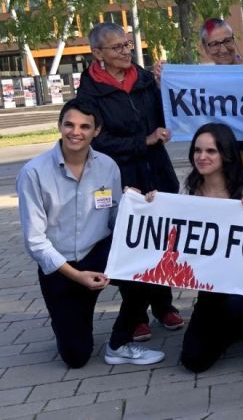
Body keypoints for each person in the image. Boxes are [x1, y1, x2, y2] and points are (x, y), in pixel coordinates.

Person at [17, 98, 165, 368]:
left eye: (85, 126)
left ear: (96, 131)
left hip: (97, 253)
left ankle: (119, 344)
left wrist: (139, 205)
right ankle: (69, 317)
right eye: (69, 124)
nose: (76, 132)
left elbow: (115, 220)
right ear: (59, 126)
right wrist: (77, 276)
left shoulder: (107, 166)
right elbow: (35, 241)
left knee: (148, 269)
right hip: (60, 267)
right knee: (76, 357)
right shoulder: (33, 173)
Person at [77, 22, 183, 341]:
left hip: (158, 173)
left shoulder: (146, 78)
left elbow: (167, 116)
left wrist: (169, 87)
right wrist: (144, 141)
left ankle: (164, 305)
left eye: (128, 45)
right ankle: (136, 313)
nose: (127, 52)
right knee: (132, 245)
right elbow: (96, 140)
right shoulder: (89, 92)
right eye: (118, 47)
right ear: (98, 53)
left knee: (164, 241)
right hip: (120, 178)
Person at [143, 123, 243, 372]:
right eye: (197, 150)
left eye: (211, 151)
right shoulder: (187, 190)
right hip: (208, 285)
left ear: (226, 154)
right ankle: (228, 329)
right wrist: (149, 204)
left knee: (239, 304)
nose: (202, 157)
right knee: (194, 360)